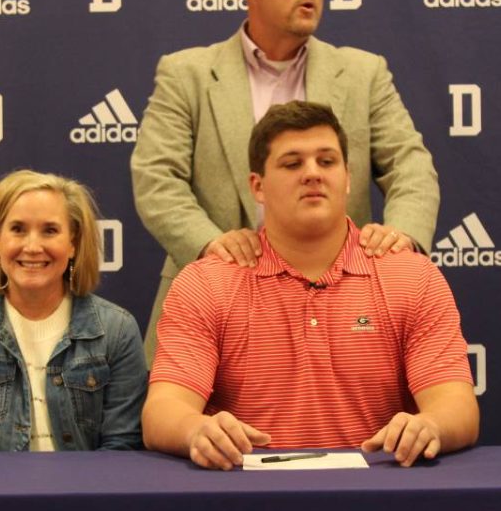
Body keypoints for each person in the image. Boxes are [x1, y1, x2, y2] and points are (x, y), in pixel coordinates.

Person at [131, 0, 439, 364]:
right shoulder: (188, 74)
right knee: (191, 428)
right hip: (217, 299)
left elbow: (410, 165)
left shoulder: (363, 73)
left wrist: (402, 236)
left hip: (345, 302)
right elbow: (156, 179)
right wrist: (210, 246)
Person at [141, 101, 478, 470]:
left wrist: (430, 425)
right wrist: (195, 430)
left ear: (348, 178)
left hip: (379, 500)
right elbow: (162, 411)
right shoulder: (206, 283)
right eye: (292, 163)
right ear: (258, 186)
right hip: (245, 502)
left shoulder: (412, 277)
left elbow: (457, 406)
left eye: (327, 161)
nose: (313, 174)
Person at [0, 170, 147, 451]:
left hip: (88, 492)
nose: (32, 246)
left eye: (50, 231)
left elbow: (121, 449)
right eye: (17, 229)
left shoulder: (117, 330)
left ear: (73, 244)